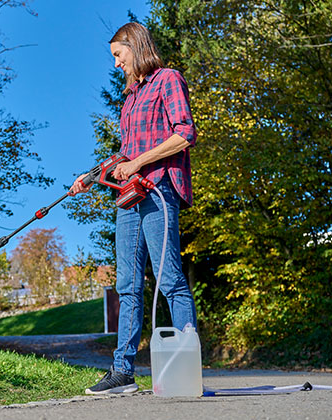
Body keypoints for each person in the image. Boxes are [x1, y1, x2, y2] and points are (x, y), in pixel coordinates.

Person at [69, 22, 198, 394]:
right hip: (129, 197)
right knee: (127, 285)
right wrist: (93, 176)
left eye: (117, 55)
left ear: (135, 46)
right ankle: (122, 371)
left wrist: (140, 161)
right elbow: (124, 154)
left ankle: (186, 363)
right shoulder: (130, 98)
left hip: (158, 191)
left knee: (170, 278)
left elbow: (184, 133)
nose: (115, 64)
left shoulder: (168, 79)